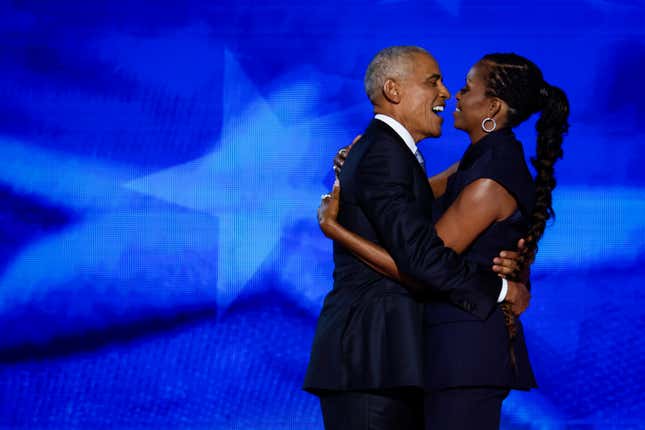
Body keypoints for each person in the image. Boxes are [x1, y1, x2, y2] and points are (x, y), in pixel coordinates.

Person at [317, 52, 569, 429]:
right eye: (436, 82)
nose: (453, 95)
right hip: (443, 351)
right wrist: (360, 170)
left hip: (463, 352)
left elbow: (423, 262)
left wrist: (337, 230)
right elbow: (416, 190)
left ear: (493, 107)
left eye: (467, 88)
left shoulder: (489, 177)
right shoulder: (478, 161)